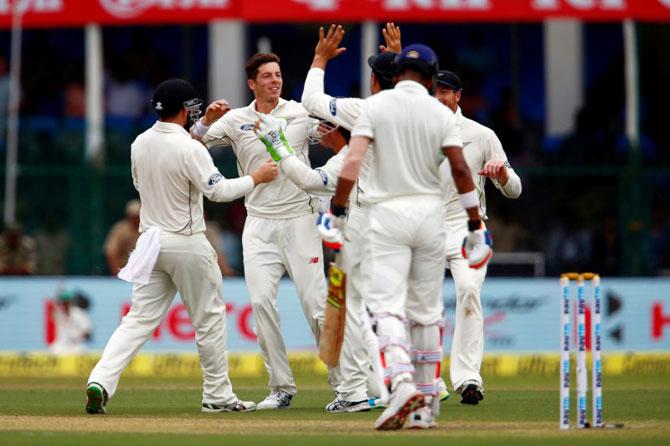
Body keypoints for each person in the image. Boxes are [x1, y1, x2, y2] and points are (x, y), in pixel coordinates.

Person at [84, 78, 278, 415]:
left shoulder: (139, 143)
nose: (195, 112)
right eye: (192, 108)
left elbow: (146, 176)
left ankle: (99, 380)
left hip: (150, 243)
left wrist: (204, 126)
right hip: (186, 242)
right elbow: (217, 191)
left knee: (138, 321)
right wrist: (256, 178)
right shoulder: (191, 148)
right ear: (182, 109)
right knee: (210, 320)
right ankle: (217, 396)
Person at [327, 45, 492, 430]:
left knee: (382, 307)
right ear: (432, 78)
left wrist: (336, 210)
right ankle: (426, 404)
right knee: (426, 311)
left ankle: (401, 384)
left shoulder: (376, 107)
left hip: (387, 214)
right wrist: (475, 224)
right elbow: (461, 171)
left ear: (397, 72)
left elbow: (351, 161)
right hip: (432, 217)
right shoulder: (441, 112)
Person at [190, 53, 329, 410]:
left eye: (278, 75)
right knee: (261, 304)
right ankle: (281, 387)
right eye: (266, 76)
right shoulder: (236, 119)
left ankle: (347, 386)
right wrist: (206, 121)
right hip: (259, 223)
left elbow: (332, 133)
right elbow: (193, 143)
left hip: (300, 218)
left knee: (316, 305)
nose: (274, 81)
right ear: (252, 83)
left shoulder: (299, 112)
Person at [434, 70, 522, 404]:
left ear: (458, 96)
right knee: (420, 305)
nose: (440, 98)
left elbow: (515, 189)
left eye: (445, 92)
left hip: (466, 227)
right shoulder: (419, 131)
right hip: (424, 226)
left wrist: (501, 174)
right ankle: (423, 379)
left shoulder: (481, 134)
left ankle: (468, 378)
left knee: (469, 291)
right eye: (435, 92)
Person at [49, 290, 92, 355]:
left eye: (66, 302)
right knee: (52, 350)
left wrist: (78, 336)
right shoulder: (58, 314)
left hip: (75, 345)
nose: (65, 305)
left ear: (70, 302)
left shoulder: (79, 314)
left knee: (81, 351)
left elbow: (87, 332)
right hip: (61, 345)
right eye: (63, 303)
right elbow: (52, 311)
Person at [104, 199, 141, 274]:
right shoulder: (120, 229)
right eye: (134, 217)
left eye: (138, 216)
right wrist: (118, 274)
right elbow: (111, 253)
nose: (136, 219)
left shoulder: (150, 229)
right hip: (125, 271)